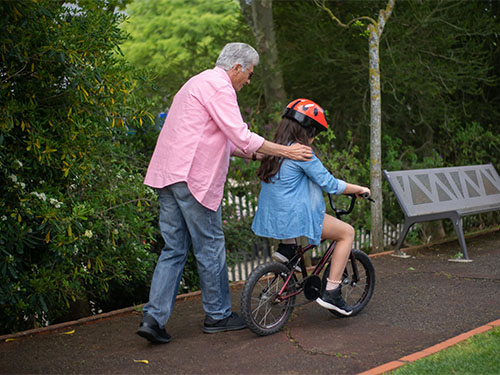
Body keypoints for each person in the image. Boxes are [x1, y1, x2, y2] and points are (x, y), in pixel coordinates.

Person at [137, 43, 313, 344]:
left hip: (167, 175)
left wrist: (263, 156)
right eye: (249, 75)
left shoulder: (195, 83)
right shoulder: (220, 88)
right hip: (192, 179)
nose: (248, 81)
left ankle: (153, 318)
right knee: (210, 247)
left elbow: (228, 143)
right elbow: (242, 135)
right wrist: (288, 152)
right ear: (236, 68)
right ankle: (218, 315)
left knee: (174, 249)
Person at [251, 98, 371, 316]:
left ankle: (288, 250)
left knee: (293, 207)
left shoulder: (275, 151)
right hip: (296, 217)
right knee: (346, 233)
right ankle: (332, 293)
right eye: (314, 132)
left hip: (273, 217)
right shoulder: (302, 153)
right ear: (307, 130)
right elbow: (330, 184)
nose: (314, 138)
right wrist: (358, 189)